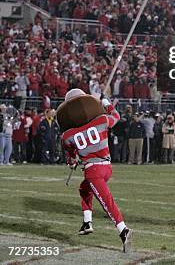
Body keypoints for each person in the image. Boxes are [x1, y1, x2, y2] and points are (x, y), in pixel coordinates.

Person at [59, 89, 132, 253]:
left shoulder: (67, 135)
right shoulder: (102, 120)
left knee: (107, 202)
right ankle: (87, 222)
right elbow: (117, 117)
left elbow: (72, 157)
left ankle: (123, 230)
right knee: (84, 189)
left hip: (93, 171)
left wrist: (73, 162)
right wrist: (106, 102)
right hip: (107, 167)